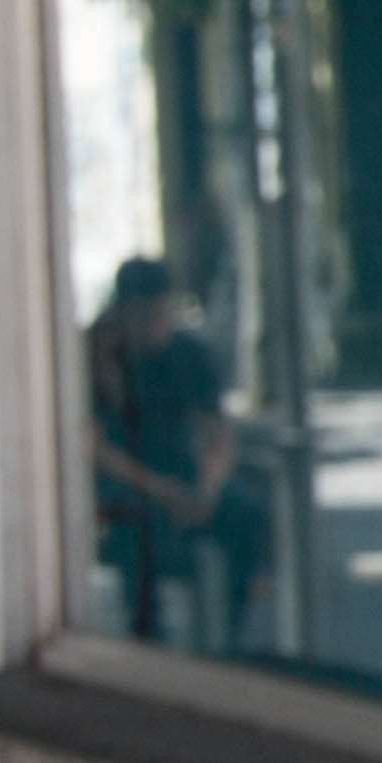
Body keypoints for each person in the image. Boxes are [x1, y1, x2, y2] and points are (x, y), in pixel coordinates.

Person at [88, 259, 266, 644]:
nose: (154, 324)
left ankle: (232, 635)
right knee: (135, 531)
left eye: (160, 313)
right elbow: (95, 447)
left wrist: (208, 485)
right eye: (144, 315)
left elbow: (218, 431)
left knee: (249, 516)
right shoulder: (99, 357)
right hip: (127, 483)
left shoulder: (189, 355)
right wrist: (161, 490)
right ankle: (147, 634)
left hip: (184, 477)